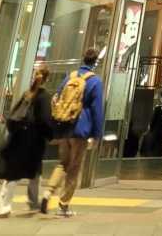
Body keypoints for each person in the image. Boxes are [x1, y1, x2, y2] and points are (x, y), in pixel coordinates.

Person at [41, 48, 104, 218]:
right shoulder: (95, 81)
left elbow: (58, 101)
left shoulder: (69, 77)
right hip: (81, 131)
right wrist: (97, 134)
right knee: (74, 168)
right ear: (95, 62)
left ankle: (48, 192)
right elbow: (97, 110)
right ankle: (62, 207)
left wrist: (56, 131)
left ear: (82, 59)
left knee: (63, 163)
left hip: (64, 128)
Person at [0, 66, 53, 216]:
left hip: (18, 137)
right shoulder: (44, 97)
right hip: (33, 141)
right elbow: (44, 120)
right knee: (17, 172)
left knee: (32, 170)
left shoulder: (27, 94)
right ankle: (3, 207)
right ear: (47, 79)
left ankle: (31, 201)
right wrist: (51, 136)